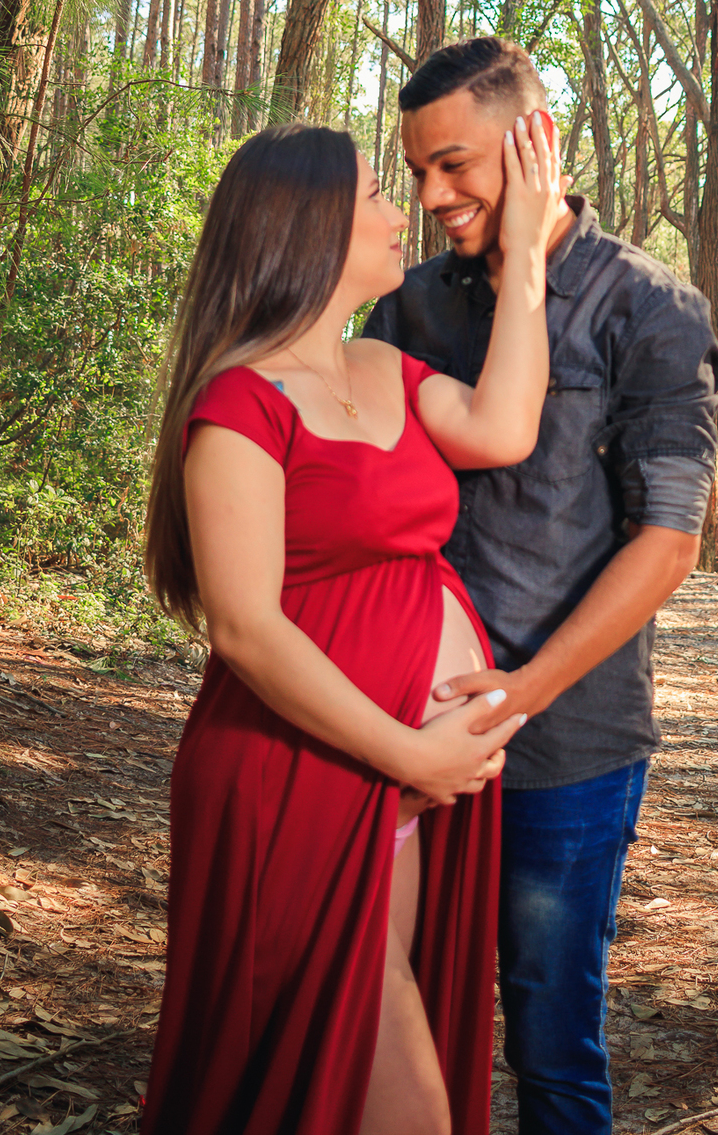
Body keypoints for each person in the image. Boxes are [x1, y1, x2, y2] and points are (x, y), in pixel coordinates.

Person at [140, 116, 566, 1135]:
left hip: (392, 782)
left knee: (345, 1059)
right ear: (311, 225)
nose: (400, 212)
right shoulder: (239, 405)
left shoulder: (381, 368)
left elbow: (506, 426)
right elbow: (245, 629)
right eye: (378, 193)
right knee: (369, 1070)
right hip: (295, 775)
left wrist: (526, 265)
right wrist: (410, 749)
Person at [364, 36, 718, 1135]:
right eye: (417, 169)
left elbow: (667, 544)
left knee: (550, 1039)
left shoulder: (650, 308)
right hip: (407, 732)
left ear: (536, 145)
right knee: (401, 1020)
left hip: (568, 745)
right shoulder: (410, 310)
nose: (432, 194)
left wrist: (521, 693)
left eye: (457, 165)